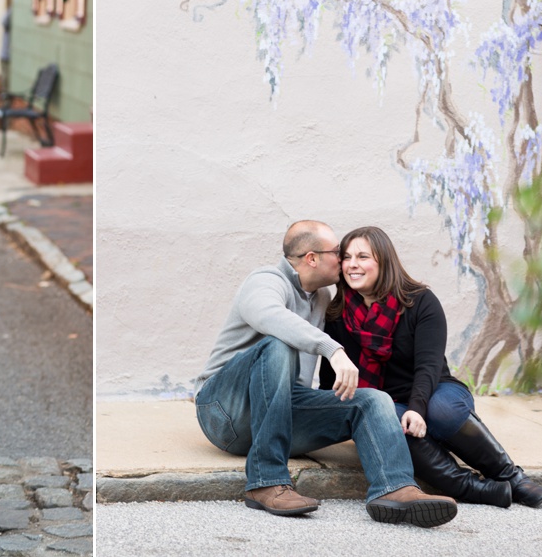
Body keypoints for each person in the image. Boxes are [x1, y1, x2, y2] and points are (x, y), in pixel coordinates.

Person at [194, 220, 458, 528]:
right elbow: (271, 317)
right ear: (311, 258)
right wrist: (333, 350)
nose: (345, 260)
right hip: (225, 413)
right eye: (339, 253)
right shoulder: (265, 281)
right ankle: (266, 481)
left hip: (278, 416)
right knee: (278, 344)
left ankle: (395, 488)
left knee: (372, 399)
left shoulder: (321, 299)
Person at [321, 226, 542, 508]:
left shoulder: (419, 301)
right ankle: (474, 488)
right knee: (388, 420)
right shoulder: (337, 314)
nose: (353, 264)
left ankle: (511, 477)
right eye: (347, 257)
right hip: (383, 401)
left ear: (383, 261)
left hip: (434, 389)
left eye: (363, 256)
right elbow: (330, 379)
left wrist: (417, 408)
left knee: (440, 410)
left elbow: (428, 366)